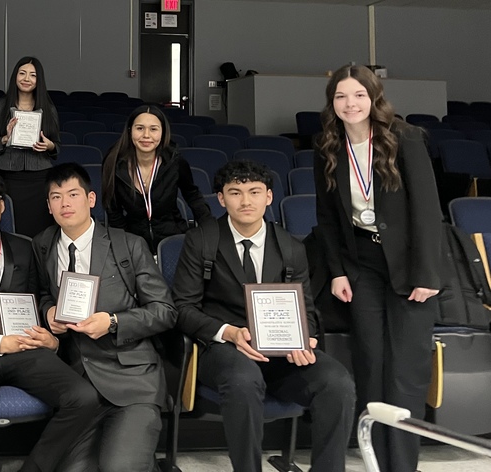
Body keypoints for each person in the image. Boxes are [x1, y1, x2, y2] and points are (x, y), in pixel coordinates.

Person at [173, 160, 355, 472]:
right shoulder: (202, 240)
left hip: (280, 352)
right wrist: (228, 332)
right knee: (243, 379)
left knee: (337, 383)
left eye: (255, 192)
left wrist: (305, 339)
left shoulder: (291, 246)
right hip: (223, 350)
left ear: (269, 197)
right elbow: (182, 309)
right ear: (221, 199)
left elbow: (306, 309)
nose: (246, 201)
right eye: (235, 193)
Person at [314, 64, 442, 472]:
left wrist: (427, 273)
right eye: (341, 97)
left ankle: (402, 467)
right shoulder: (327, 146)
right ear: (332, 103)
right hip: (361, 265)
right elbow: (327, 218)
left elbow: (426, 210)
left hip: (408, 265)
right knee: (370, 361)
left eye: (358, 95)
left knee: (406, 369)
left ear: (374, 98)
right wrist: (336, 271)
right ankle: (376, 461)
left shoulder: (405, 138)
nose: (350, 104)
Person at [0, 174, 98, 472]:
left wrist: (52, 339)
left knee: (84, 398)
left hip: (26, 345)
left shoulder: (26, 248)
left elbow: (42, 300)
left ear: (2, 207)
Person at [33, 163, 177, 471]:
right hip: (79, 387)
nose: (65, 203)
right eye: (56, 197)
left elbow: (165, 311)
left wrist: (112, 322)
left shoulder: (128, 244)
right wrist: (48, 311)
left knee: (120, 467)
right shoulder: (43, 245)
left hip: (132, 379)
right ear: (48, 206)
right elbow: (44, 292)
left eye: (73, 194)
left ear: (91, 199)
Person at [102, 105, 211, 255]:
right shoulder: (113, 163)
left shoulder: (175, 162)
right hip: (134, 243)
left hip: (174, 239)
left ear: (162, 132)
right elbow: (113, 209)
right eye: (139, 128)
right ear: (129, 131)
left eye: (153, 129)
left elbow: (192, 195)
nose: (146, 135)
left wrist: (209, 230)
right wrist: (123, 243)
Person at [0, 56, 61, 238]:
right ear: (14, 76)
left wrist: (49, 146)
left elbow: (57, 145)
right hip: (9, 177)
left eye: (33, 75)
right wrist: (4, 139)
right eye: (22, 73)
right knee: (11, 231)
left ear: (39, 80)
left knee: (40, 233)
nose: (27, 79)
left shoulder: (48, 108)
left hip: (40, 178)